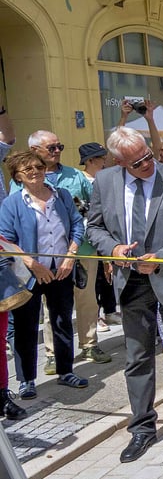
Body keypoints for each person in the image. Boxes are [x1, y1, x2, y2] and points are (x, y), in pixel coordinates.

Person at [86, 127, 163, 463]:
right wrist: (115, 248)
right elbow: (93, 227)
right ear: (119, 162)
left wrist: (160, 258)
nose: (147, 165)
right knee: (137, 356)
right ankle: (142, 426)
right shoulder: (105, 181)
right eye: (137, 163)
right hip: (130, 281)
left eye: (148, 157)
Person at [0, 150, 88, 402]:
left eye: (38, 167)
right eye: (28, 170)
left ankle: (66, 371)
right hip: (29, 274)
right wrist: (31, 263)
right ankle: (27, 379)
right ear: (17, 176)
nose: (36, 172)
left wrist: (71, 255)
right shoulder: (13, 203)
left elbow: (77, 224)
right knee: (26, 327)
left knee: (61, 321)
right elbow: (5, 239)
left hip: (61, 268)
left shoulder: (60, 196)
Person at [14, 130, 106, 372]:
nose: (57, 151)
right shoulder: (21, 183)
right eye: (51, 148)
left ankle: (89, 344)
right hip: (43, 258)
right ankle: (53, 354)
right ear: (35, 150)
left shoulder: (75, 175)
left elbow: (95, 205)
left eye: (59, 146)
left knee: (86, 300)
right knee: (51, 307)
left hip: (81, 249)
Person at [78, 143, 120, 333]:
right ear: (90, 160)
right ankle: (96, 316)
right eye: (101, 158)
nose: (104, 161)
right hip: (90, 235)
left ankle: (110, 310)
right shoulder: (82, 181)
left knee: (107, 273)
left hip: (109, 233)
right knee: (94, 280)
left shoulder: (107, 178)